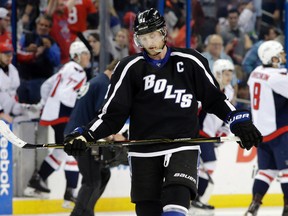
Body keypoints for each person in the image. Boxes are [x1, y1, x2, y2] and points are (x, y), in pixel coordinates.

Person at [63, 8, 262, 216]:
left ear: (163, 33)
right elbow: (112, 115)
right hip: (144, 151)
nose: (150, 43)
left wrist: (238, 122)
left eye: (153, 35)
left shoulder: (190, 61)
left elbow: (215, 99)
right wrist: (85, 134)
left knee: (175, 208)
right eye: (144, 37)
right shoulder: (130, 68)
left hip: (182, 146)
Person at [24, 41, 90, 208]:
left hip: (53, 113)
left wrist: (45, 104)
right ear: (76, 56)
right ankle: (70, 194)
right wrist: (74, 113)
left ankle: (36, 181)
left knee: (61, 152)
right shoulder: (79, 71)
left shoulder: (65, 68)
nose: (88, 57)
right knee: (74, 151)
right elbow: (65, 93)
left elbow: (47, 86)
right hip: (63, 115)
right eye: (85, 53)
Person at [64, 59, 129, 216]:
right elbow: (102, 116)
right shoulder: (104, 85)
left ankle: (87, 211)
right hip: (82, 139)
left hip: (78, 135)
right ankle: (80, 214)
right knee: (92, 181)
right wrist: (113, 135)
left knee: (102, 174)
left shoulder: (98, 81)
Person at [244, 40, 288, 216]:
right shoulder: (277, 76)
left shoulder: (255, 73)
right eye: (281, 53)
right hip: (279, 131)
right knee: (286, 171)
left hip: (261, 133)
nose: (284, 56)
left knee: (266, 171)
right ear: (274, 58)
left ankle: (254, 205)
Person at [188, 59, 235, 215]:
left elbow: (226, 115)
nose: (229, 77)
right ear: (217, 74)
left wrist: (224, 130)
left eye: (230, 74)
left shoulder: (229, 91)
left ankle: (194, 199)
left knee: (205, 166)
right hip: (199, 133)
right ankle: (196, 198)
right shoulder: (206, 87)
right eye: (226, 73)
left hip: (210, 135)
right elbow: (193, 110)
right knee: (210, 164)